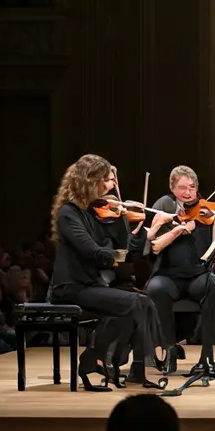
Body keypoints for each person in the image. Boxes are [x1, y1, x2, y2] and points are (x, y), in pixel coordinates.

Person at [49, 154, 163, 391]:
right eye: (108, 180)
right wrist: (115, 254)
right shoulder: (69, 214)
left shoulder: (94, 212)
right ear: (91, 181)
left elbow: (125, 254)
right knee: (137, 303)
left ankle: (111, 362)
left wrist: (134, 230)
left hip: (91, 286)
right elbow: (92, 251)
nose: (112, 186)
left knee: (141, 302)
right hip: (71, 288)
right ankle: (138, 364)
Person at [146, 165, 215, 375]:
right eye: (182, 187)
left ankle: (207, 356)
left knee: (212, 284)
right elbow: (154, 247)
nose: (188, 192)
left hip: (197, 275)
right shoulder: (164, 206)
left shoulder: (206, 211)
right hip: (169, 276)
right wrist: (179, 229)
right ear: (172, 188)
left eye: (192, 187)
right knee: (156, 288)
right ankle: (169, 349)